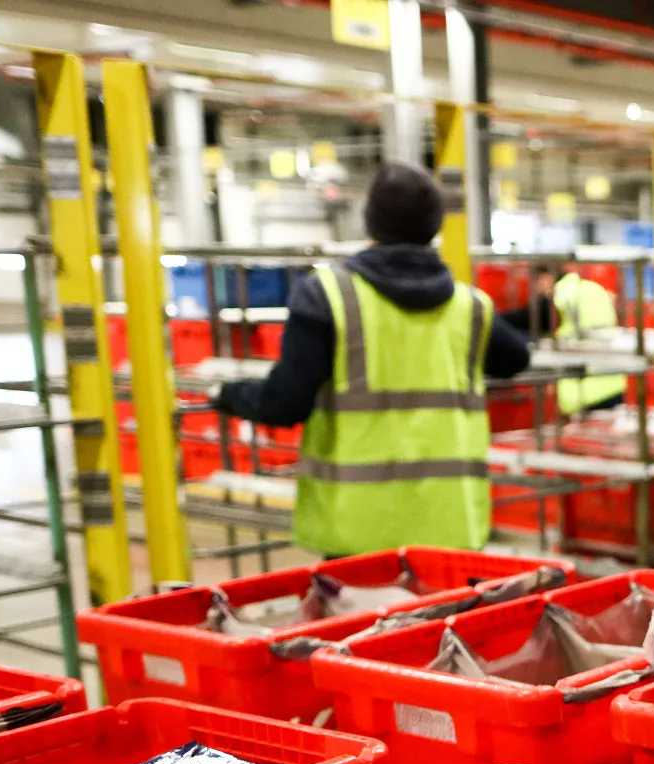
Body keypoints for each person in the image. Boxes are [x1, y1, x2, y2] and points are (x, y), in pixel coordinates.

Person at [213, 161, 530, 558]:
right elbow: (515, 358)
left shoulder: (327, 296)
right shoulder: (471, 307)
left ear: (371, 223)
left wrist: (227, 393)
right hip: (449, 528)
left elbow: (285, 402)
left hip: (357, 531)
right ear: (435, 226)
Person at [512, 260, 627, 414]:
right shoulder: (593, 289)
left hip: (583, 391)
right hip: (614, 384)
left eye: (535, 282)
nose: (536, 289)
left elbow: (526, 318)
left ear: (545, 277)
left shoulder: (559, 295)